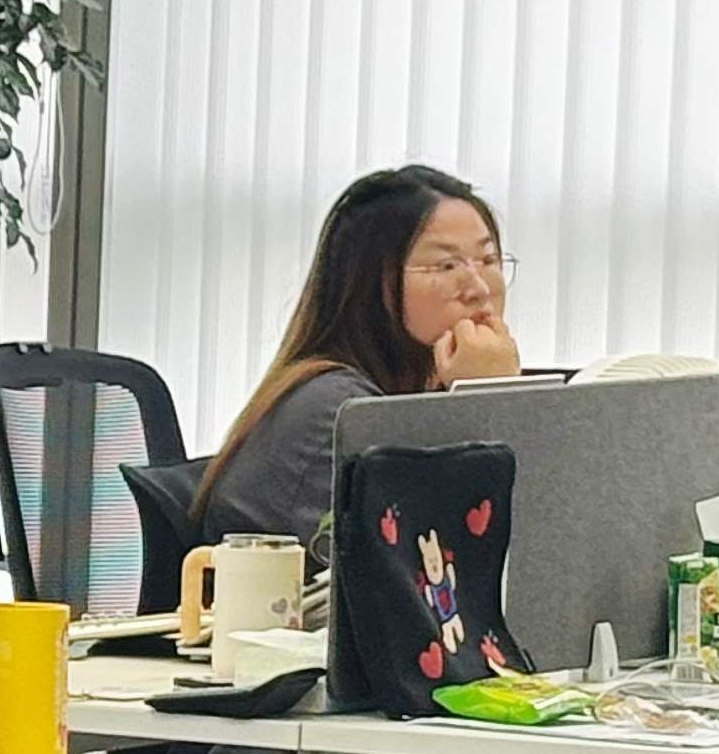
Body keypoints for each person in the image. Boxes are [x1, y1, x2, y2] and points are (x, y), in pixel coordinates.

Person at [195, 166, 522, 546]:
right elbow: (439, 559)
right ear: (374, 283)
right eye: (446, 265)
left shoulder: (409, 398)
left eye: (489, 260)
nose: (479, 288)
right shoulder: (339, 410)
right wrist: (490, 396)